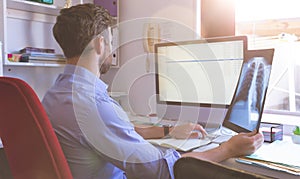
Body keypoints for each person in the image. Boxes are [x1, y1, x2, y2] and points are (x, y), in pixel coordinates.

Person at [42, 3, 264, 179]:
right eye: (111, 41)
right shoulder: (93, 104)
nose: (111, 48)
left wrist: (167, 131)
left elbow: (114, 131)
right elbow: (164, 171)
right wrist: (227, 150)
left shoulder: (56, 94)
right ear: (100, 44)